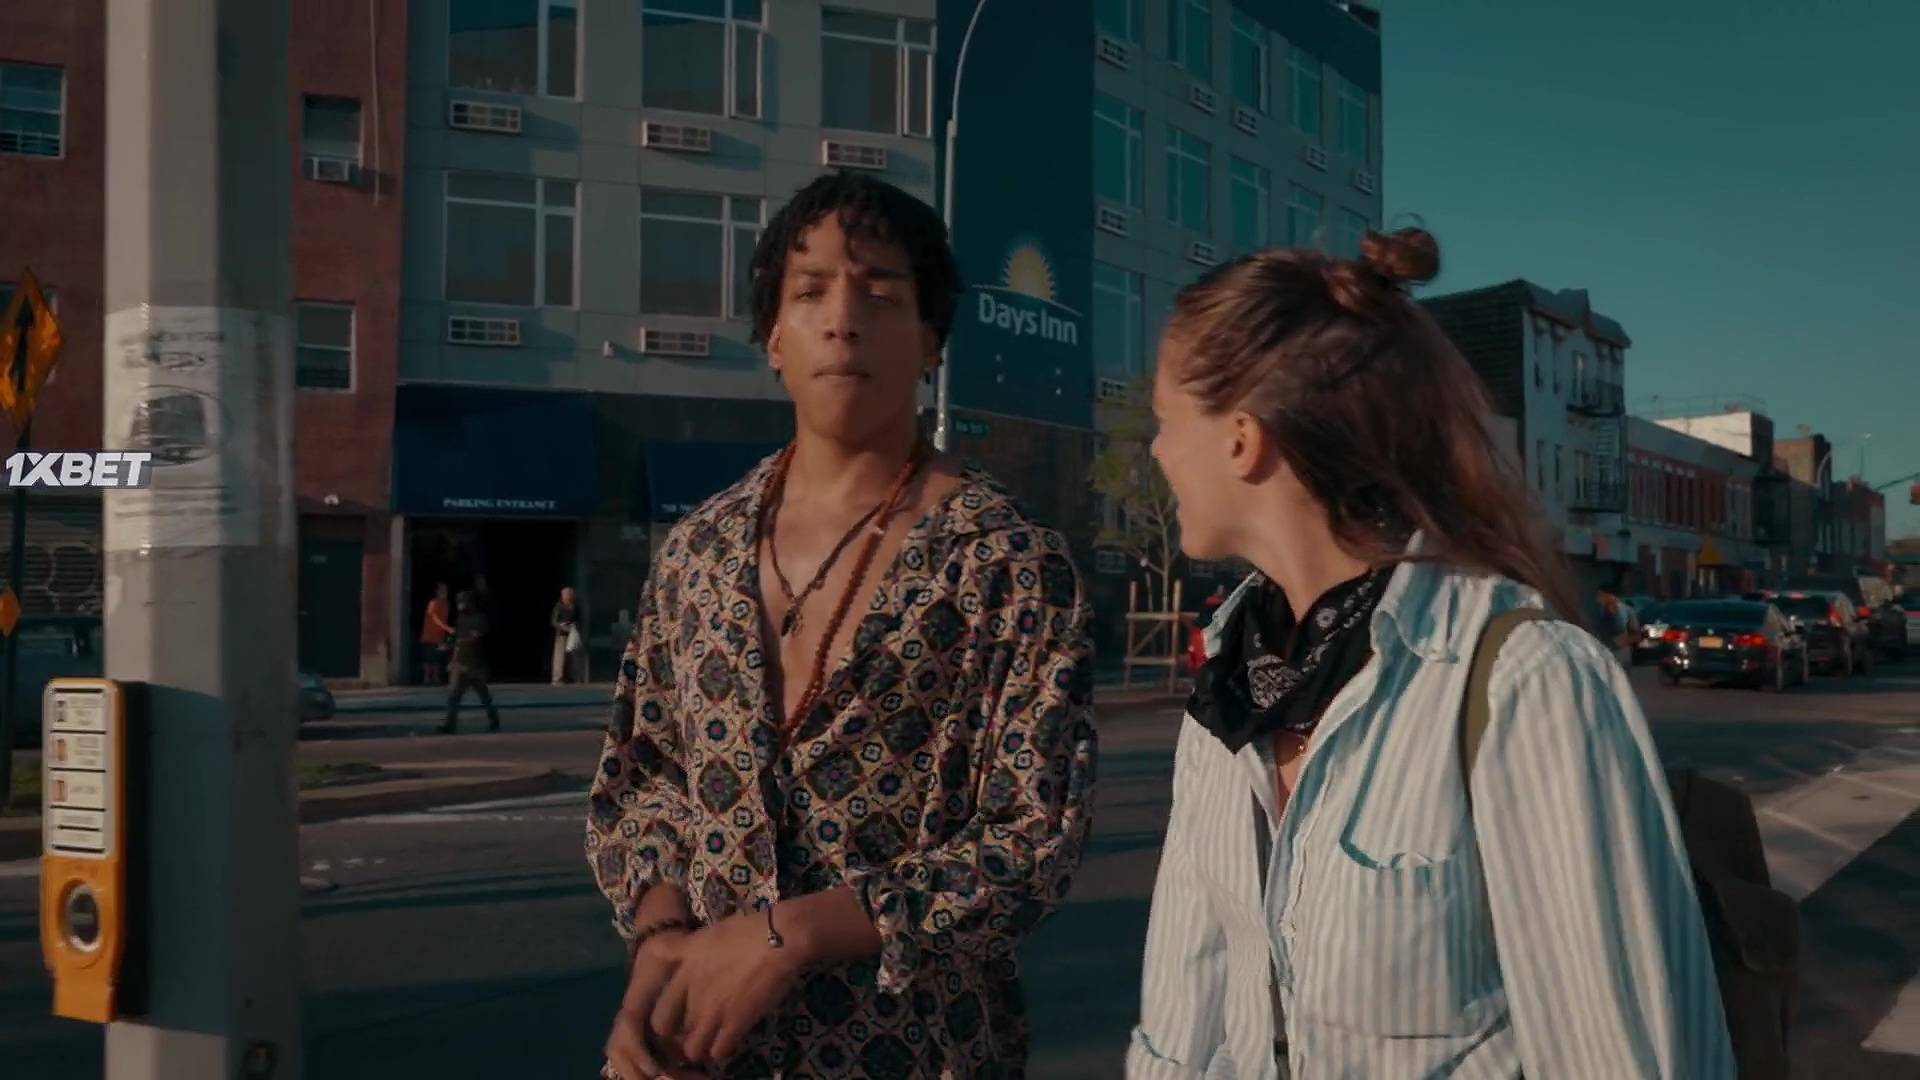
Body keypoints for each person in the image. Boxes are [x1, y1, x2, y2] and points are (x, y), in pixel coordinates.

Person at [1125, 229, 1734, 1078]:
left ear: (1240, 438)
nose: (1155, 450)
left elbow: (1625, 1056)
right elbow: (1182, 1028)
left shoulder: (1528, 684)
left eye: (1163, 421)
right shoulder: (1230, 691)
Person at [585, 171, 1098, 1080]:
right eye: (811, 291)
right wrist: (660, 941)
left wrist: (793, 935)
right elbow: (646, 777)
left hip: (917, 1050)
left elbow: (1032, 840)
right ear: (773, 338)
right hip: (701, 1051)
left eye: (882, 293)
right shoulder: (698, 548)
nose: (843, 320)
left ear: (932, 339)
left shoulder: (1006, 559)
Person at [438, 589, 500, 734]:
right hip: (460, 663)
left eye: (463, 601)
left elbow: (476, 638)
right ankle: (450, 725)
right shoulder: (460, 619)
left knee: (484, 696)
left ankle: (494, 720)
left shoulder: (480, 619)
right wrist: (451, 653)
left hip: (475, 664)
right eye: (459, 602)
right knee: (454, 697)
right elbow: (458, 639)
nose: (460, 605)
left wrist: (459, 643)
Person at [420, 583, 453, 685]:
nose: (445, 593)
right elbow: (434, 618)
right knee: (428, 658)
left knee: (437, 658)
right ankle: (426, 678)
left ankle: (436, 678)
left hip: (440, 637)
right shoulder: (433, 603)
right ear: (437, 592)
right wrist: (446, 628)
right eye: (442, 590)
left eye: (446, 590)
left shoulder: (447, 604)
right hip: (429, 635)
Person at [552, 585, 581, 685]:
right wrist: (561, 626)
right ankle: (557, 678)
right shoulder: (559, 606)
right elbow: (554, 621)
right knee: (559, 657)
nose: (568, 597)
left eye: (569, 595)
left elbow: (578, 618)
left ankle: (570, 676)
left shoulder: (574, 606)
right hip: (561, 634)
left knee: (572, 656)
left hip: (572, 634)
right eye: (566, 595)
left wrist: (574, 625)